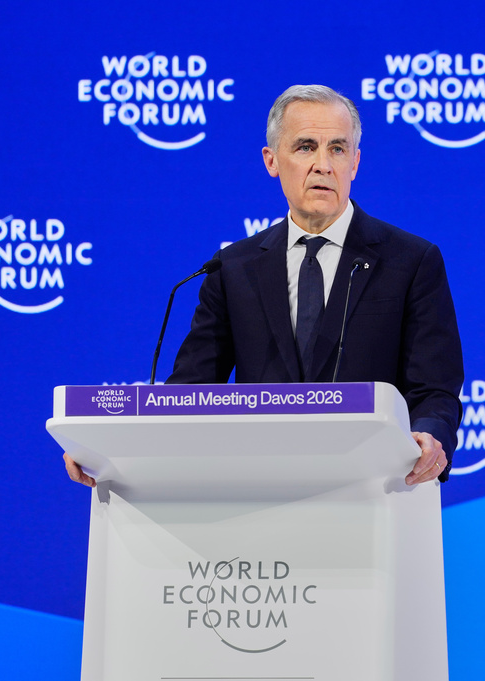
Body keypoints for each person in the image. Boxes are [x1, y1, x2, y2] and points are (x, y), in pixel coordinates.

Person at [65, 85, 463, 488]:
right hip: (259, 493)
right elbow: (189, 394)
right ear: (271, 160)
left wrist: (430, 436)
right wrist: (111, 450)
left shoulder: (410, 260)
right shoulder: (233, 267)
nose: (323, 165)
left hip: (375, 488)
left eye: (338, 149)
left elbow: (435, 389)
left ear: (355, 162)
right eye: (306, 147)